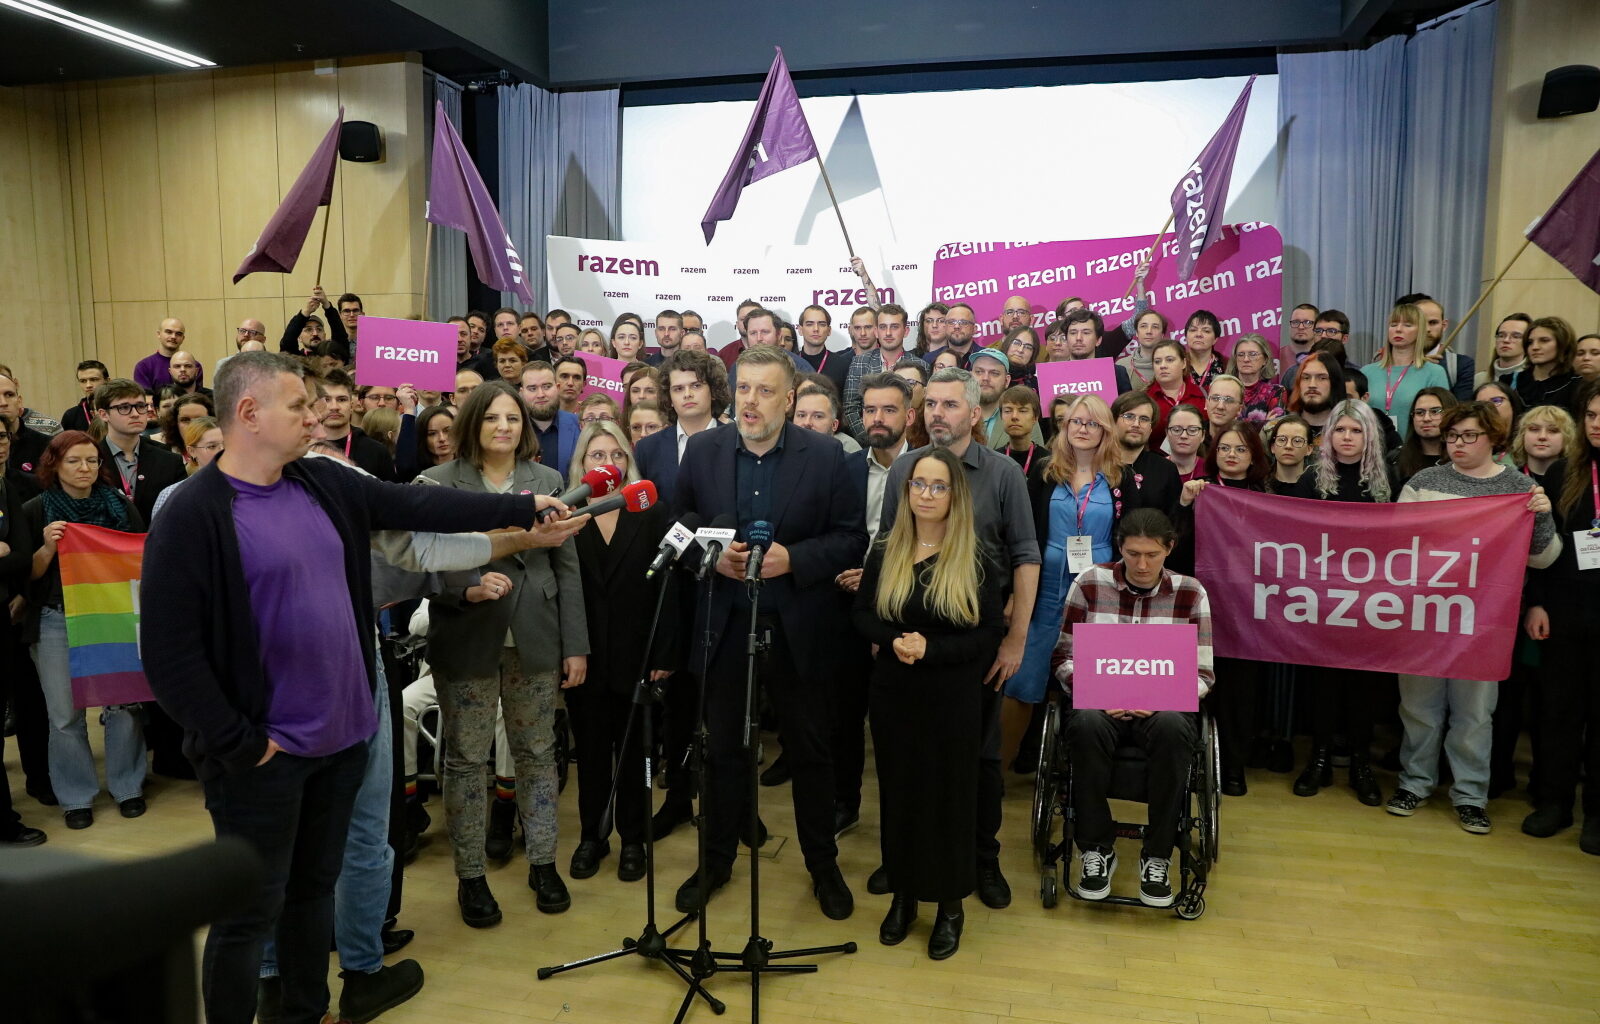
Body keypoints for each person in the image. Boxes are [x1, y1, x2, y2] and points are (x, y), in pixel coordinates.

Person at [140, 352, 586, 1024]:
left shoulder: (323, 480)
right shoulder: (192, 512)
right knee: (248, 914)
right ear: (249, 414)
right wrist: (237, 741)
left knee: (314, 892)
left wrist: (522, 503)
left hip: (343, 738)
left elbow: (419, 500)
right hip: (263, 754)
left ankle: (304, 1010)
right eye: (297, 406)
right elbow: (169, 654)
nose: (314, 415)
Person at [671, 345, 867, 920]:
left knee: (810, 749)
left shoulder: (828, 456)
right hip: (726, 624)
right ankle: (717, 859)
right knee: (724, 748)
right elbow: (680, 524)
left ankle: (821, 863)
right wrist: (713, 556)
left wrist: (796, 560)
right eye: (744, 388)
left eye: (764, 391)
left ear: (789, 398)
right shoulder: (704, 450)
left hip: (800, 626)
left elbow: (852, 538)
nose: (751, 401)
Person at [414, 381, 590, 923]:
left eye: (512, 418)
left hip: (535, 638)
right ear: (473, 423)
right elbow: (421, 561)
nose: (504, 427)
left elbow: (567, 567)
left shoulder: (550, 480)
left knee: (538, 755)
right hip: (467, 635)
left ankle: (543, 862)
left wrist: (576, 645)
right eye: (492, 418)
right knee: (467, 760)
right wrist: (464, 586)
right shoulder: (440, 483)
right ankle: (470, 877)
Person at [878, 366, 1041, 910]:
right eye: (931, 406)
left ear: (974, 413)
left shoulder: (1001, 474)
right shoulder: (905, 468)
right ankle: (904, 858)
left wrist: (1016, 641)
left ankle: (982, 857)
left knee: (980, 759)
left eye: (950, 405)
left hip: (976, 643)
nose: (938, 415)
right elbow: (886, 548)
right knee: (911, 758)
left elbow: (1025, 556)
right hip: (910, 642)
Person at [854, 447, 1004, 959]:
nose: (926, 495)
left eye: (938, 486)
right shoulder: (886, 548)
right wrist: (893, 640)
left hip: (953, 698)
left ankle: (949, 908)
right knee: (899, 797)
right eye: (919, 484)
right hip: (895, 694)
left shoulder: (976, 555)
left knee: (949, 803)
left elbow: (987, 633)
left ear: (955, 494)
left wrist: (931, 648)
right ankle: (903, 896)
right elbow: (863, 617)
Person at [1390, 401, 1558, 834]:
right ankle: (1415, 783)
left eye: (1469, 436)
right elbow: (1393, 544)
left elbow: (1543, 558)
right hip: (1424, 614)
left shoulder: (1517, 488)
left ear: (1494, 440)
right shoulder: (1424, 482)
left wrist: (1541, 515)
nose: (1458, 444)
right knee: (1419, 707)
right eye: (1452, 436)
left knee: (1475, 714)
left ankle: (1469, 795)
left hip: (1483, 621)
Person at [1052, 508, 1212, 907]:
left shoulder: (1190, 592)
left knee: (1176, 729)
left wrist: (1158, 697)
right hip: (1099, 705)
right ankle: (1096, 848)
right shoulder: (1090, 583)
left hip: (1161, 710)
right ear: (1120, 547)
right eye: (1133, 553)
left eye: (1152, 555)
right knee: (1084, 726)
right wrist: (1097, 689)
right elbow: (1062, 658)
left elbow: (1203, 674)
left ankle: (1157, 854)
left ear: (1169, 549)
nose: (1141, 564)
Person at [16, 431, 147, 830]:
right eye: (74, 461)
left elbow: (143, 558)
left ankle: (128, 787)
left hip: (115, 618)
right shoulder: (36, 510)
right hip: (56, 619)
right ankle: (75, 796)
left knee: (122, 704)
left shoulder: (121, 506)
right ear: (54, 465)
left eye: (92, 461)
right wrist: (47, 548)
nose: (85, 469)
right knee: (63, 715)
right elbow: (28, 575)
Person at [565, 421, 677, 881]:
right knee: (591, 754)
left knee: (635, 755)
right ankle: (593, 836)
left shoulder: (647, 511)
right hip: (585, 658)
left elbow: (670, 587)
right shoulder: (567, 515)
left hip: (638, 655)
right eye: (596, 455)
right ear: (582, 464)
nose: (606, 463)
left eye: (615, 454)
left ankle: (634, 838)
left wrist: (664, 652)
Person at [1008, 395, 1140, 772]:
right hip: (1045, 582)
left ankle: (1079, 763)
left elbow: (1127, 534)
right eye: (1076, 422)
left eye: (1092, 423)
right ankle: (1002, 764)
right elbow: (1026, 530)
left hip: (1099, 588)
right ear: (1065, 428)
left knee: (1089, 674)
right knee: (1025, 672)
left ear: (1105, 430)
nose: (1083, 429)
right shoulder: (1045, 472)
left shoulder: (1121, 476)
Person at [1294, 401, 1395, 805]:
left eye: (1355, 431)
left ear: (1368, 435)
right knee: (1324, 683)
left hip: (1372, 601)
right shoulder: (1311, 479)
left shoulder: (1388, 479)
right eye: (1340, 431)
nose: (1347, 438)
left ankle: (1360, 764)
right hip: (1320, 599)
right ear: (1329, 436)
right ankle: (1318, 758)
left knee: (1364, 685)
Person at [1523, 379, 1600, 853]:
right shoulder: (1564, 473)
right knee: (1558, 713)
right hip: (1565, 612)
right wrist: (1536, 602)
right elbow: (1540, 546)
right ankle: (1554, 802)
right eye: (1591, 416)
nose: (1597, 424)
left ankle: (1596, 812)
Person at [634, 348, 728, 509]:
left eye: (696, 385)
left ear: (713, 391)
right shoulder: (647, 449)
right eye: (678, 389)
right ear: (668, 398)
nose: (687, 394)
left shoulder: (736, 442)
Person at [91, 378, 186, 529]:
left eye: (140, 406)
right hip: (105, 547)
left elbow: (181, 512)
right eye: (124, 407)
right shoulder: (90, 459)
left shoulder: (169, 461)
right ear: (103, 414)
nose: (135, 414)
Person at [1362, 303, 1450, 440]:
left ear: (1420, 331)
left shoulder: (1434, 372)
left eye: (1407, 325)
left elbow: (1442, 418)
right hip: (1371, 449)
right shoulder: (1367, 371)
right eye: (1393, 324)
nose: (1398, 329)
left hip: (1414, 450)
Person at [844, 303, 912, 441]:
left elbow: (921, 411)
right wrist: (870, 440)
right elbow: (850, 408)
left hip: (909, 444)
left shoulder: (920, 365)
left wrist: (906, 444)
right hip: (868, 441)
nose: (888, 333)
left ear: (906, 331)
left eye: (894, 327)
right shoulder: (859, 362)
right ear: (876, 331)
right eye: (883, 327)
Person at [318, 371, 396, 481]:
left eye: (341, 399)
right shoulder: (303, 447)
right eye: (327, 399)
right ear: (316, 403)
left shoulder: (376, 451)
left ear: (351, 405)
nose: (334, 407)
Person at [1400, 293, 1476, 400]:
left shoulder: (1461, 365)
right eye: (1421, 323)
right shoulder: (1392, 363)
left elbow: (1461, 411)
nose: (1427, 329)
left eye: (1433, 322)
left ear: (1444, 325)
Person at [518, 362, 581, 472]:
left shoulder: (579, 425)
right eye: (532, 388)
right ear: (522, 393)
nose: (541, 394)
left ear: (557, 387)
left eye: (547, 387)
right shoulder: (513, 428)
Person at [1145, 339, 1206, 449]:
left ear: (1183, 363)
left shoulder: (1203, 395)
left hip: (1198, 461)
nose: (1162, 366)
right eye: (1157, 361)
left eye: (1169, 360)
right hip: (1157, 462)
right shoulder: (1145, 400)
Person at [1388, 386, 1457, 485]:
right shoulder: (1395, 460)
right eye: (1420, 412)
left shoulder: (1463, 458)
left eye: (1435, 411)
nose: (1426, 418)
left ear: (1451, 414)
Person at [1516, 316, 1582, 414]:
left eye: (1544, 340)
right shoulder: (1511, 381)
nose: (1535, 347)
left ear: (1562, 344)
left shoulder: (1578, 386)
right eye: (1530, 342)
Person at [1288, 350, 1347, 444]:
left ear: (1335, 384)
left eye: (1322, 378)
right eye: (1306, 378)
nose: (1312, 385)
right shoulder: (1276, 430)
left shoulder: (1349, 434)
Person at [1227, 334, 1285, 424]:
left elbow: (1272, 428)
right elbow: (1221, 424)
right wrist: (1263, 423)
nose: (1246, 359)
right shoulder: (1224, 388)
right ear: (1235, 359)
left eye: (1252, 354)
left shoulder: (1276, 391)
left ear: (1265, 360)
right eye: (1241, 355)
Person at [794, 378, 862, 453]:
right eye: (801, 415)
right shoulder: (783, 451)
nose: (807, 423)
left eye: (818, 416)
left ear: (834, 425)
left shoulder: (848, 454)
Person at [133, 317, 191, 392]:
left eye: (178, 334)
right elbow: (146, 400)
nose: (173, 336)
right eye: (169, 332)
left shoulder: (193, 366)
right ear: (159, 334)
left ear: (183, 338)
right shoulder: (143, 367)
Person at [1475, 313, 1533, 387]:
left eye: (1516, 336)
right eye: (1501, 335)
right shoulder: (1479, 380)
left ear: (1528, 342)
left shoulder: (1535, 379)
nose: (1506, 340)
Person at [1263, 415, 1313, 495]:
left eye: (1297, 441)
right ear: (1272, 447)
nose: (1288, 446)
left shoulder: (1319, 490)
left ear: (1309, 449)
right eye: (1282, 440)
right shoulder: (1257, 487)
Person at [1182, 310, 1227, 392]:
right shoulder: (1177, 364)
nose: (1198, 334)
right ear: (1186, 336)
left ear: (1215, 339)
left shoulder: (1227, 366)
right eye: (1193, 330)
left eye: (1206, 331)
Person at [1163, 404, 1208, 483]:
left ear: (1203, 435)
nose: (1184, 436)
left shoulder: (1211, 470)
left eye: (1192, 430)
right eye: (1176, 430)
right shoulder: (1154, 469)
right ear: (1167, 433)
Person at [925, 303, 977, 369]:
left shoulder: (988, 358)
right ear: (945, 327)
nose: (957, 326)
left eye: (963, 322)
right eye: (951, 322)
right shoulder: (929, 359)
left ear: (974, 329)